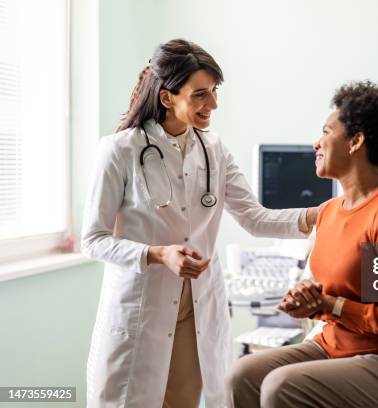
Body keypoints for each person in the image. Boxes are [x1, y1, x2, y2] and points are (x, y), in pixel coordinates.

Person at [81, 39, 318, 408]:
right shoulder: (120, 150)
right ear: (166, 98)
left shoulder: (214, 149)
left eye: (215, 92)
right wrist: (158, 254)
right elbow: (93, 240)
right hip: (142, 308)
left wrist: (321, 214)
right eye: (201, 95)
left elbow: (256, 218)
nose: (214, 105)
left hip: (198, 310)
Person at [226, 81, 378, 408]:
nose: (316, 143)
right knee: (240, 376)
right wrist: (308, 296)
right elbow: (335, 285)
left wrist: (329, 305)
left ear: (356, 141)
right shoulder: (329, 212)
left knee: (280, 387)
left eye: (326, 132)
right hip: (333, 345)